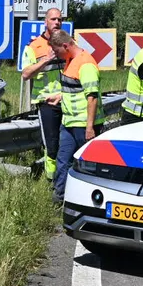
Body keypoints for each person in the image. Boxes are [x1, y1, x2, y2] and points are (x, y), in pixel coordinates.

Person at [44, 30, 102, 202]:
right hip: (68, 121)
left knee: (86, 165)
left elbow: (91, 98)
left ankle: (88, 200)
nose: (56, 55)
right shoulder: (70, 60)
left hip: (84, 125)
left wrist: (90, 127)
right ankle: (59, 198)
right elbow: (75, 89)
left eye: (57, 51)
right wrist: (60, 97)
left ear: (65, 46)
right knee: (63, 160)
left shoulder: (86, 64)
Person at [21, 8, 65, 179]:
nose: (57, 22)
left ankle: (64, 181)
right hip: (46, 102)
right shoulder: (34, 46)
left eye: (60, 19)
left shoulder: (68, 43)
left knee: (67, 144)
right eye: (53, 19)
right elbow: (25, 74)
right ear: (45, 22)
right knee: (52, 146)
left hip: (67, 99)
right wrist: (46, 59)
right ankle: (51, 181)